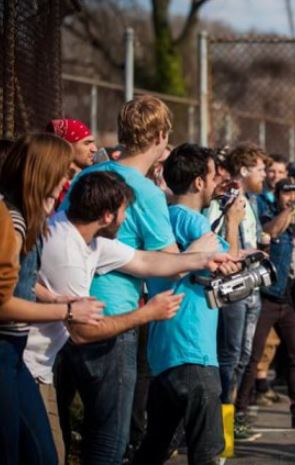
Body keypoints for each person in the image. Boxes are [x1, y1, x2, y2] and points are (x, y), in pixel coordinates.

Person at [22, 170, 232, 463]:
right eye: (125, 212)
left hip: (40, 367)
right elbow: (82, 332)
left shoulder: (90, 238)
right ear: (108, 216)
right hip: (28, 366)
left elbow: (145, 261)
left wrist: (203, 258)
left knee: (56, 451)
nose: (127, 220)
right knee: (87, 447)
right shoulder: (66, 249)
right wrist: (145, 313)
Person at [58, 95, 219, 465]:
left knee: (66, 431)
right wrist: (201, 247)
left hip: (67, 309)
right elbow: (167, 263)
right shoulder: (145, 192)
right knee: (109, 439)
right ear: (161, 137)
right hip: (114, 317)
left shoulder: (87, 175)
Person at [0, 133, 106, 465]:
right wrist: (68, 310)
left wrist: (51, 297)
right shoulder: (13, 221)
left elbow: (19, 282)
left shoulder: (29, 219)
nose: (66, 179)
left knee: (42, 453)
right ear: (43, 172)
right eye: (63, 171)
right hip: (4, 351)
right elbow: (3, 304)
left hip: (15, 356)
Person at [134, 143, 242, 465]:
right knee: (208, 453)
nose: (214, 185)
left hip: (164, 354)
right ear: (198, 183)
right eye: (211, 177)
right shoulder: (193, 222)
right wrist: (233, 221)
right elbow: (231, 266)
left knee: (154, 447)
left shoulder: (164, 218)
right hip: (195, 350)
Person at [236, 179, 295, 429]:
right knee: (252, 356)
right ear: (277, 196)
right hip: (267, 296)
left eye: (294, 192)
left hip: (291, 300)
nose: (291, 197)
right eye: (286, 193)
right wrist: (290, 208)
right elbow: (271, 231)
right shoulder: (268, 215)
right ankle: (240, 408)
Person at [205, 144, 268, 412]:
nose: (264, 175)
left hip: (252, 285)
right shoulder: (224, 200)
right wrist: (241, 252)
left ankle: (231, 414)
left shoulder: (252, 201)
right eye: (260, 169)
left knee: (244, 354)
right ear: (243, 170)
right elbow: (210, 237)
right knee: (229, 354)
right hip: (233, 286)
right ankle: (220, 417)